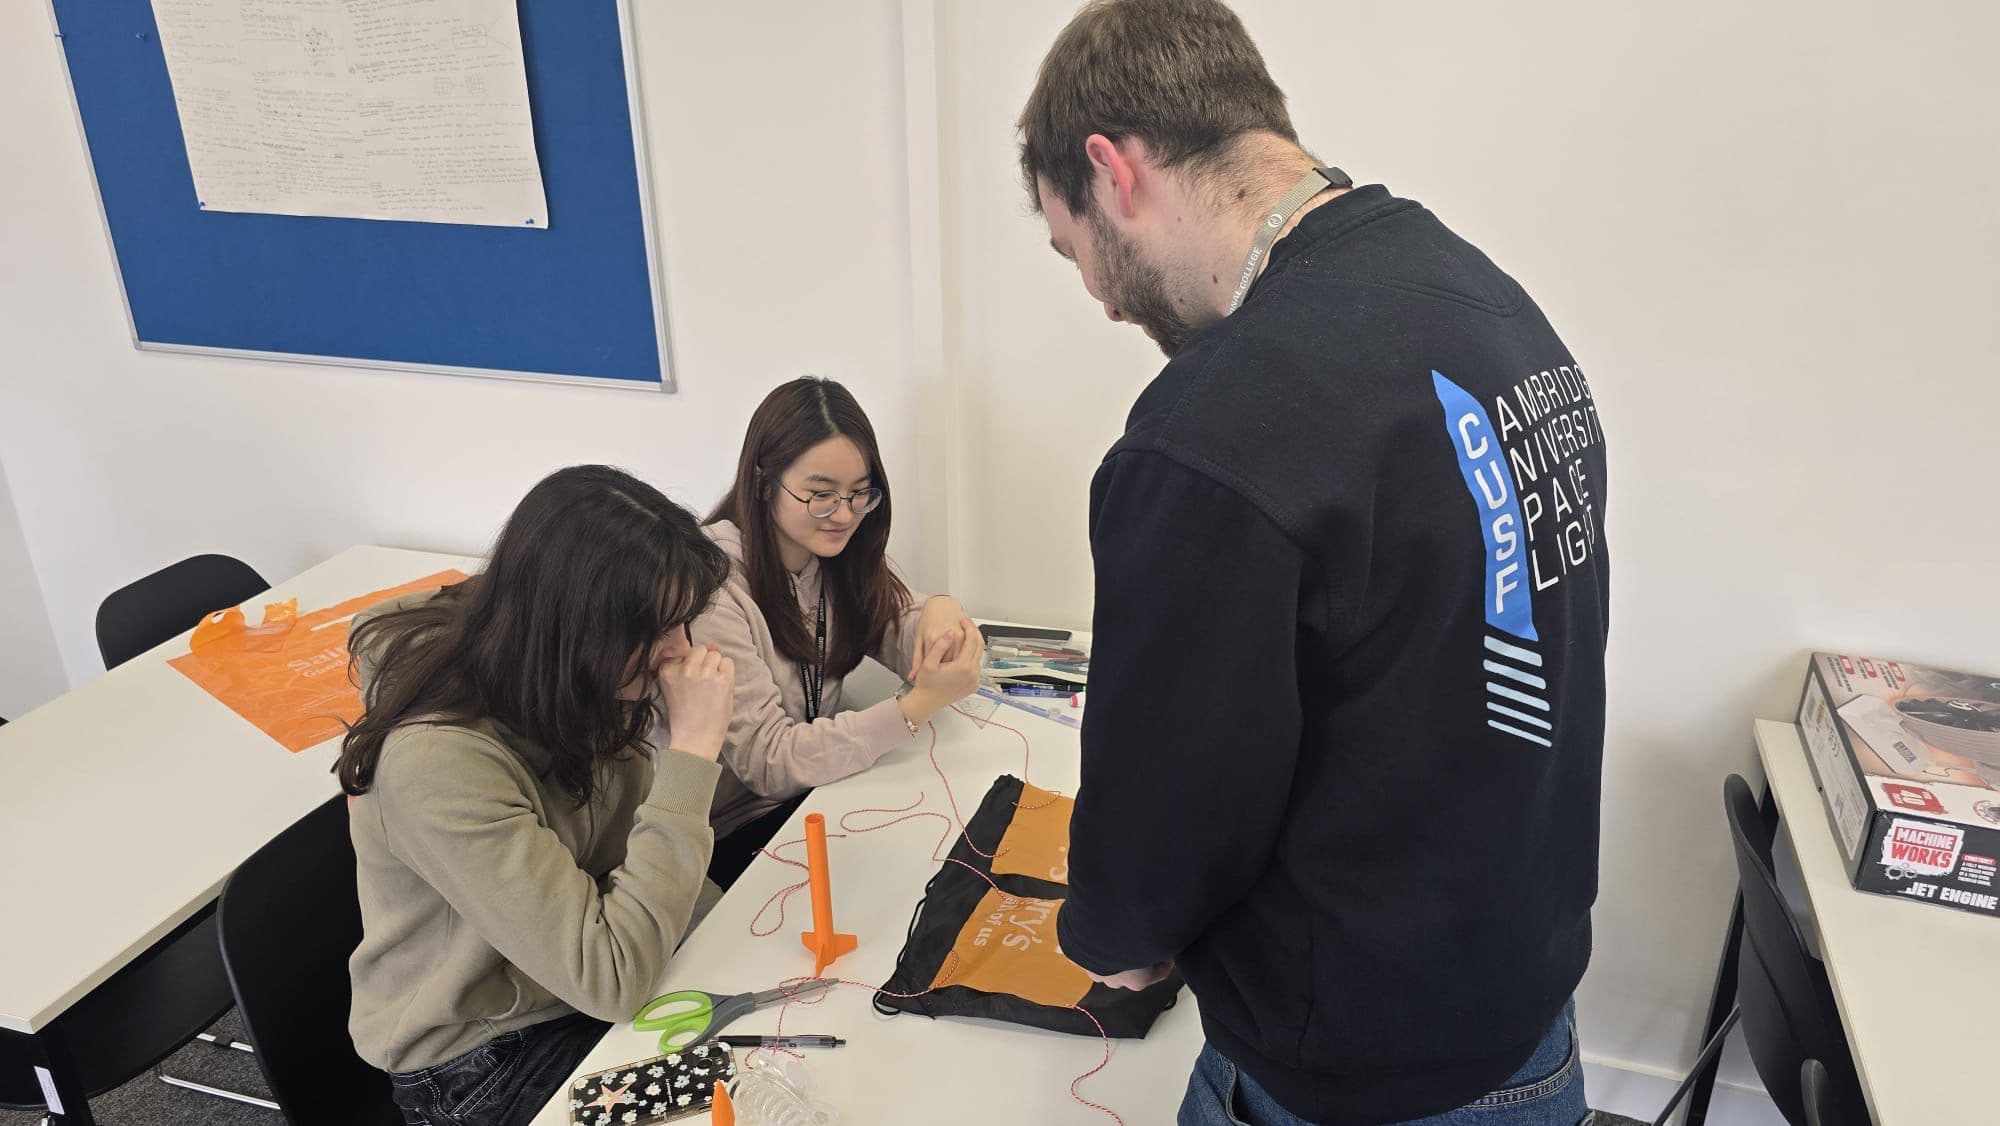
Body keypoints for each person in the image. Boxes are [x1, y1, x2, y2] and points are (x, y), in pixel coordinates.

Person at [1019, 3, 1611, 1124]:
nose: (1098, 299)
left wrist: (1112, 936)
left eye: (1074, 246)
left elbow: (1145, 866)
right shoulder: (1487, 307)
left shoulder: (1208, 436)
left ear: (1111, 169)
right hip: (1522, 1025)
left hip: (1350, 1074)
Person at [338, 465, 736, 1126]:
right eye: (658, 632)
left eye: (683, 623)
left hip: (578, 981)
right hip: (480, 1058)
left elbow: (627, 870)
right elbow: (612, 977)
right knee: (743, 1097)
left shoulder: (567, 676)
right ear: (571, 629)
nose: (680, 653)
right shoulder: (436, 763)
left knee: (778, 1059)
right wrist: (693, 752)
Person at [699, 376, 981, 884]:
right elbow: (769, 762)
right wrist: (914, 708)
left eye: (860, 494)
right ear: (764, 483)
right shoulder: (712, 588)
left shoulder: (832, 556)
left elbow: (902, 624)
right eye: (821, 495)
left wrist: (942, 613)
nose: (845, 515)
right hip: (728, 832)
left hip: (815, 796)